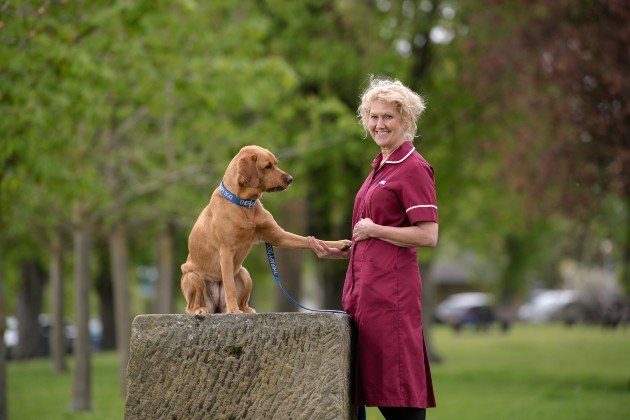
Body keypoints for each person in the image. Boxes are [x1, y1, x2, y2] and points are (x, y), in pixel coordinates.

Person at [308, 77, 438, 420]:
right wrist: (346, 250)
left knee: (396, 392)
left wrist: (373, 229)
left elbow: (427, 235)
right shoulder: (379, 167)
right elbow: (381, 238)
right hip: (364, 295)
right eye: (374, 116)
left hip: (391, 299)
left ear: (406, 121)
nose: (379, 124)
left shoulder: (413, 169)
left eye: (389, 117)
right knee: (367, 390)